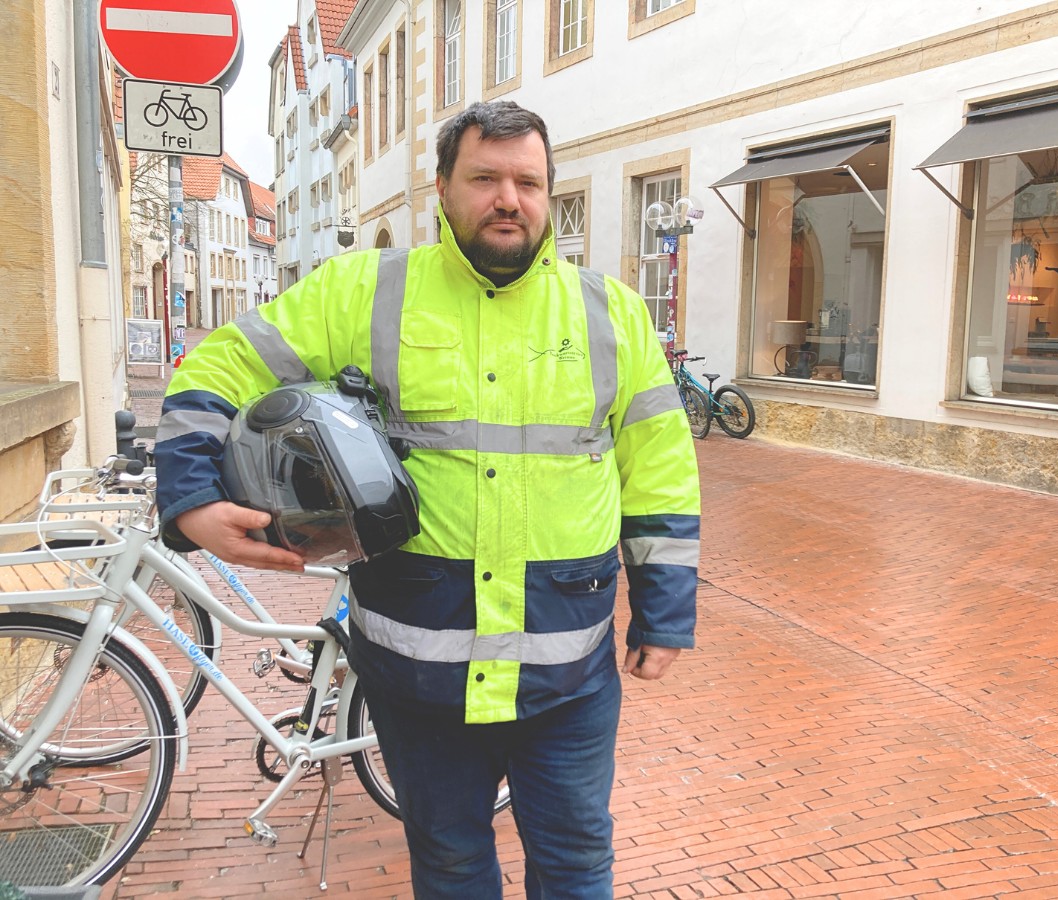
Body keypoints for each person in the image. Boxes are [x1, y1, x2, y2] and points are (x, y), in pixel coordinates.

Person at [154, 100, 700, 898]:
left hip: (568, 676)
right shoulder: (364, 291)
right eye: (485, 179)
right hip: (417, 673)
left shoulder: (610, 313)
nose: (508, 199)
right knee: (448, 864)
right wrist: (192, 498)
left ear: (548, 193)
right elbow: (221, 365)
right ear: (442, 188)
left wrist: (665, 612)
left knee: (578, 863)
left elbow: (658, 467)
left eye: (528, 182)